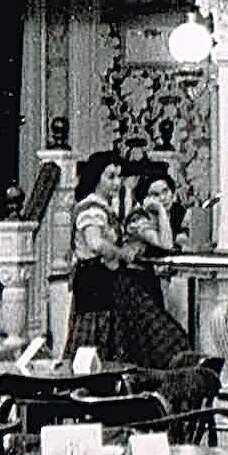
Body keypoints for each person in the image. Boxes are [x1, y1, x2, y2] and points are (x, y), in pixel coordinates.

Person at [64, 151, 190, 367]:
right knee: (96, 341)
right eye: (110, 177)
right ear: (96, 178)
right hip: (95, 282)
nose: (116, 183)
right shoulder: (92, 208)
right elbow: (95, 243)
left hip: (108, 283)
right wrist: (122, 252)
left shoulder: (103, 208)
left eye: (118, 177)